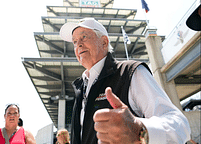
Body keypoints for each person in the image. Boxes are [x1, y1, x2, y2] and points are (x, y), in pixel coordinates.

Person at [59, 17, 191, 144]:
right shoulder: (80, 87)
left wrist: (140, 130)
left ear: (104, 42)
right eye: (74, 41)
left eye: (84, 37)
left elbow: (179, 124)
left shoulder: (130, 72)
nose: (78, 44)